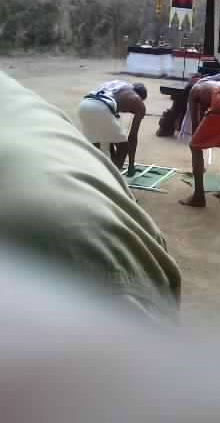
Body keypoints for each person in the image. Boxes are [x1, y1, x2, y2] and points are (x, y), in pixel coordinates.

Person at [1, 70, 181, 319]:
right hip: (101, 111)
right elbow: (133, 137)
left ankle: (105, 167)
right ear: (141, 95)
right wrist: (129, 164)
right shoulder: (138, 103)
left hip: (86, 105)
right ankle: (115, 173)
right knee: (121, 144)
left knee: (95, 145)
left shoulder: (115, 85)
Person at [179, 79, 220, 207]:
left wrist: (198, 147)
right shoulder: (211, 84)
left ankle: (198, 196)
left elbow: (195, 124)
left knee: (194, 146)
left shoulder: (194, 91)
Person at [78, 79, 147, 176]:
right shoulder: (138, 101)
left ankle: (96, 176)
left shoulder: (117, 86)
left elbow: (108, 133)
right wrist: (131, 165)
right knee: (123, 147)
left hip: (84, 106)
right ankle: (113, 179)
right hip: (101, 108)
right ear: (141, 97)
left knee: (97, 145)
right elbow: (132, 137)